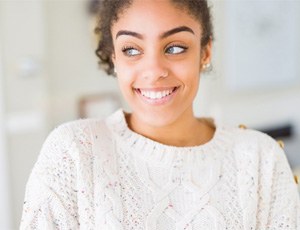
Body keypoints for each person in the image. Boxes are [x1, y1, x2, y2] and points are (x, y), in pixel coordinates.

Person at [20, 0, 299, 229]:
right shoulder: (73, 153)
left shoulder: (260, 158)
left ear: (205, 52)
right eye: (131, 50)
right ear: (114, 57)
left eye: (175, 48)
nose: (154, 71)